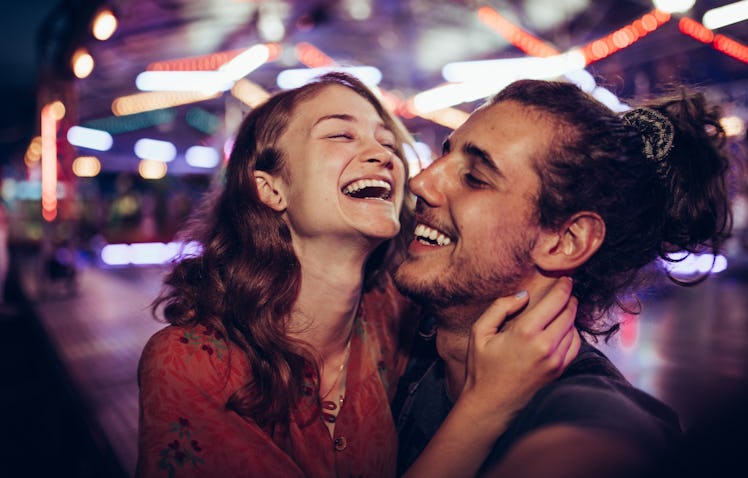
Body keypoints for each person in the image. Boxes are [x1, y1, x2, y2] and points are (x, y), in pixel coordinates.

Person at [136, 72, 581, 478]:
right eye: (341, 134)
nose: (382, 156)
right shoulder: (189, 365)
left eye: (388, 143)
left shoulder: (391, 315)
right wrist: (487, 406)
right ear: (271, 188)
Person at [392, 79, 732, 478]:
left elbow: (607, 441)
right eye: (444, 155)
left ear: (565, 241)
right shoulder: (406, 341)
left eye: (475, 178)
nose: (420, 182)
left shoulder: (587, 409)